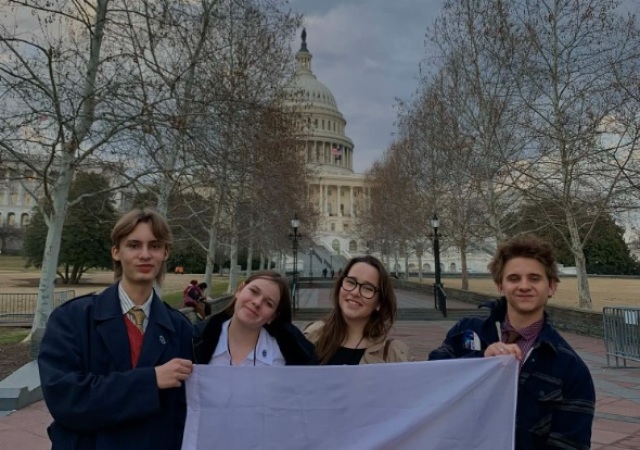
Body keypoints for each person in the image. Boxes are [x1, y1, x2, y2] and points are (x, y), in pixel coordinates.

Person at [38, 208, 195, 450]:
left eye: (154, 246)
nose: (145, 254)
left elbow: (184, 414)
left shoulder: (181, 329)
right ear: (116, 252)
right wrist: (150, 380)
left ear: (165, 253)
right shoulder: (72, 318)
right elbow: (66, 399)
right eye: (134, 245)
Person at [428, 234, 595, 449]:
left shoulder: (570, 368)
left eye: (534, 278)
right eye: (514, 278)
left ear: (551, 287)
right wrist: (479, 361)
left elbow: (570, 444)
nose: (524, 286)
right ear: (500, 286)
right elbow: (430, 382)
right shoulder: (467, 332)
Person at [304, 255, 413, 364]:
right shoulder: (311, 337)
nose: (355, 292)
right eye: (351, 282)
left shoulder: (394, 355)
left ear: (379, 303)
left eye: (367, 288)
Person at [193, 271, 315, 366]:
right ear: (240, 290)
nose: (257, 302)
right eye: (254, 291)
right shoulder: (194, 341)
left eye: (268, 303)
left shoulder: (283, 355)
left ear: (272, 316)